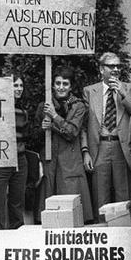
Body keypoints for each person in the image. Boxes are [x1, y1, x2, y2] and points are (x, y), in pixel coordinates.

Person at [82, 52, 131, 210]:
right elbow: (83, 125)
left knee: (124, 196)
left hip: (121, 147)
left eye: (118, 66)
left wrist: (123, 93)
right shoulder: (89, 91)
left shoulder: (130, 89)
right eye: (111, 66)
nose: (115, 69)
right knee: (100, 196)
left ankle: (123, 230)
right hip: (99, 147)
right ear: (102, 69)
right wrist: (85, 151)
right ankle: (103, 231)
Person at [37, 67, 94, 222]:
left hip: (70, 160)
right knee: (49, 210)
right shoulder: (45, 106)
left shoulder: (78, 106)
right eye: (57, 83)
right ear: (53, 85)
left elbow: (72, 132)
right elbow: (34, 136)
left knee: (70, 207)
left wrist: (54, 118)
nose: (61, 87)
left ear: (71, 87)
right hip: (50, 160)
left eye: (65, 84)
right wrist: (42, 129)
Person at [0, 75, 28, 235]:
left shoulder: (23, 111)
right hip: (1, 160)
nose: (18, 89)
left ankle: (17, 242)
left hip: (20, 159)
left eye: (21, 85)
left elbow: (25, 137)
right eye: (14, 85)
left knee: (17, 206)